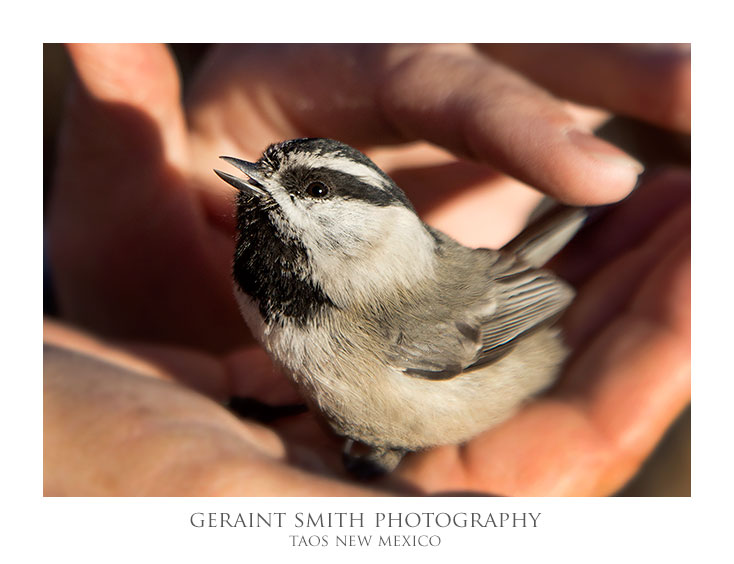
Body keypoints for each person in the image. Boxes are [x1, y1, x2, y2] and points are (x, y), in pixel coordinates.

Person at [43, 43, 691, 496]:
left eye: (314, 192)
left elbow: (529, 297)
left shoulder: (390, 318)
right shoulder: (263, 269)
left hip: (500, 310)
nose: (263, 190)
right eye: (271, 177)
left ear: (375, 226)